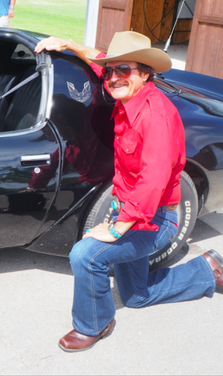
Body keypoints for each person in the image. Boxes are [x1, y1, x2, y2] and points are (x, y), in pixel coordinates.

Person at [35, 31, 223, 353]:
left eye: (125, 70)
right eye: (111, 71)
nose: (114, 77)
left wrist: (117, 227)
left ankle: (94, 323)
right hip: (129, 209)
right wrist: (68, 45)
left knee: (85, 254)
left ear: (146, 72)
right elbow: (99, 63)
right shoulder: (128, 93)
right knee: (137, 297)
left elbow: (153, 180)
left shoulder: (156, 117)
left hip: (156, 219)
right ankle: (207, 270)